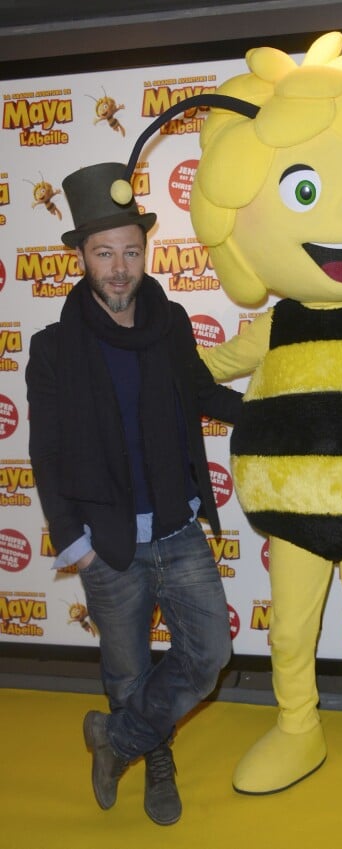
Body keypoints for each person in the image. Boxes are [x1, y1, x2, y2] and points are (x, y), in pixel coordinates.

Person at [26, 162, 243, 826]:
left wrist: (282, 413)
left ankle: (118, 740)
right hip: (109, 543)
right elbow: (47, 451)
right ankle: (156, 758)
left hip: (178, 530)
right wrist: (75, 544)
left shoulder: (171, 321)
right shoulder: (54, 347)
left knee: (209, 654)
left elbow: (204, 394)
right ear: (81, 257)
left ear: (144, 251)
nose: (119, 267)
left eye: (130, 251)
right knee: (126, 674)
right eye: (104, 253)